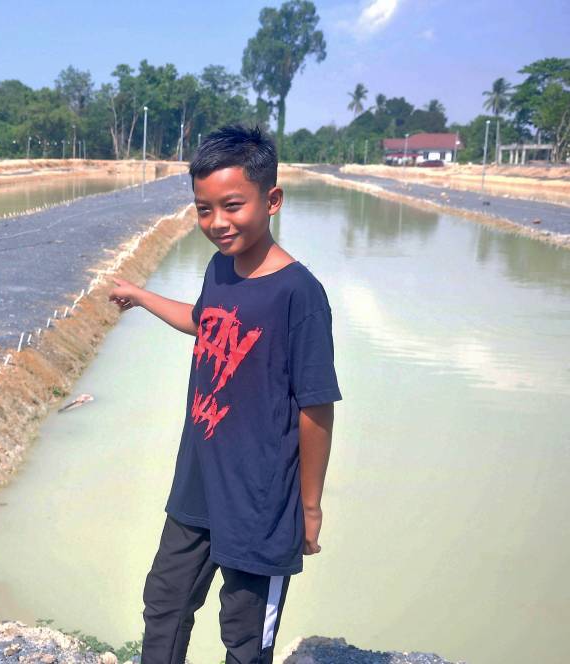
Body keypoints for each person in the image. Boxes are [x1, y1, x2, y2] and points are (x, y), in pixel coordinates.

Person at [109, 125, 341, 664]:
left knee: (244, 632)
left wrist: (308, 506)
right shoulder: (221, 268)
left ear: (272, 200)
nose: (217, 223)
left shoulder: (299, 294)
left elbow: (316, 408)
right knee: (164, 601)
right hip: (199, 480)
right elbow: (207, 322)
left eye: (232, 205)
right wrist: (142, 296)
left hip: (260, 498)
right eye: (204, 209)